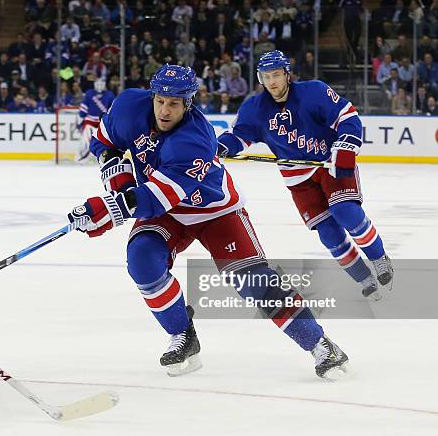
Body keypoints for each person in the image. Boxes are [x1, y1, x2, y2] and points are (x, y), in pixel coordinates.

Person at [66, 64, 349, 380]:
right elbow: (104, 142)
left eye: (174, 103)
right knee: (142, 260)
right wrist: (116, 177)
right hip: (168, 210)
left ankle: (321, 345)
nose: (164, 109)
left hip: (215, 211)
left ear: (188, 103)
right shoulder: (130, 104)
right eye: (160, 100)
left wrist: (102, 210)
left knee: (255, 284)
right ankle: (183, 336)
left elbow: (151, 201)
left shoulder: (194, 139)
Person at [218, 51, 393, 300]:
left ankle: (379, 258)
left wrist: (345, 147)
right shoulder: (254, 108)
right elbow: (240, 135)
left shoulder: (314, 92)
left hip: (328, 163)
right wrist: (223, 145)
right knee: (328, 232)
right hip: (297, 176)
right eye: (266, 76)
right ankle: (363, 277)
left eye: (276, 75)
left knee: (345, 212)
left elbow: (347, 116)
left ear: (287, 74)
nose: (272, 82)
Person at [76, 78, 115, 162]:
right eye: (98, 83)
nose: (100, 86)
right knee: (85, 139)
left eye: (102, 83)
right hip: (89, 122)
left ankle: (101, 156)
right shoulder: (89, 93)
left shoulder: (109, 94)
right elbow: (83, 111)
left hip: (102, 122)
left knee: (104, 141)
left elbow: (112, 110)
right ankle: (82, 156)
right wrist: (79, 122)